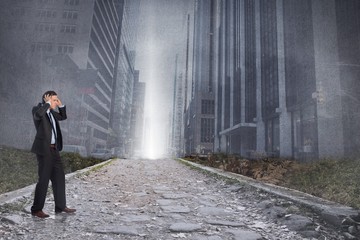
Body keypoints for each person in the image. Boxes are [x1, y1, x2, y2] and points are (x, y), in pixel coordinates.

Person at [30, 90, 76, 218]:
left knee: (59, 178)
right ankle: (36, 209)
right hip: (44, 150)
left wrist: (60, 105)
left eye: (57, 100)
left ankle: (60, 207)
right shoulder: (38, 110)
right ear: (47, 99)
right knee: (43, 180)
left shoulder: (52, 113)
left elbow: (63, 116)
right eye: (54, 100)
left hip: (55, 150)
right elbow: (38, 116)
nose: (56, 102)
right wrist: (47, 104)